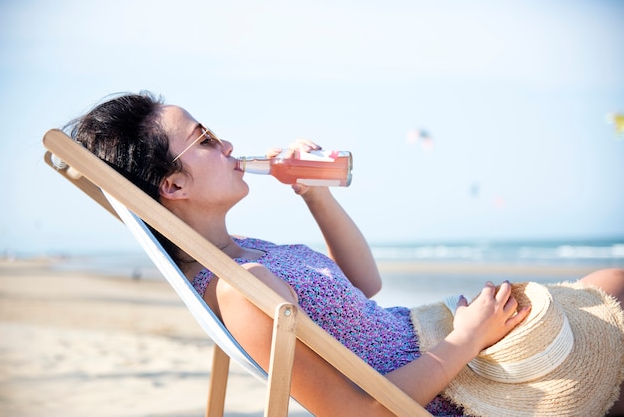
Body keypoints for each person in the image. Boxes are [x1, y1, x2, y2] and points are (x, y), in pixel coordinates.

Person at [65, 91, 624, 416]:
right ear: (174, 187)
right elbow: (358, 413)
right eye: (207, 140)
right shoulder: (240, 288)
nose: (230, 145)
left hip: (433, 341)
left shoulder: (245, 252)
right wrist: (469, 337)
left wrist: (316, 194)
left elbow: (366, 283)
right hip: (445, 384)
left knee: (609, 281)